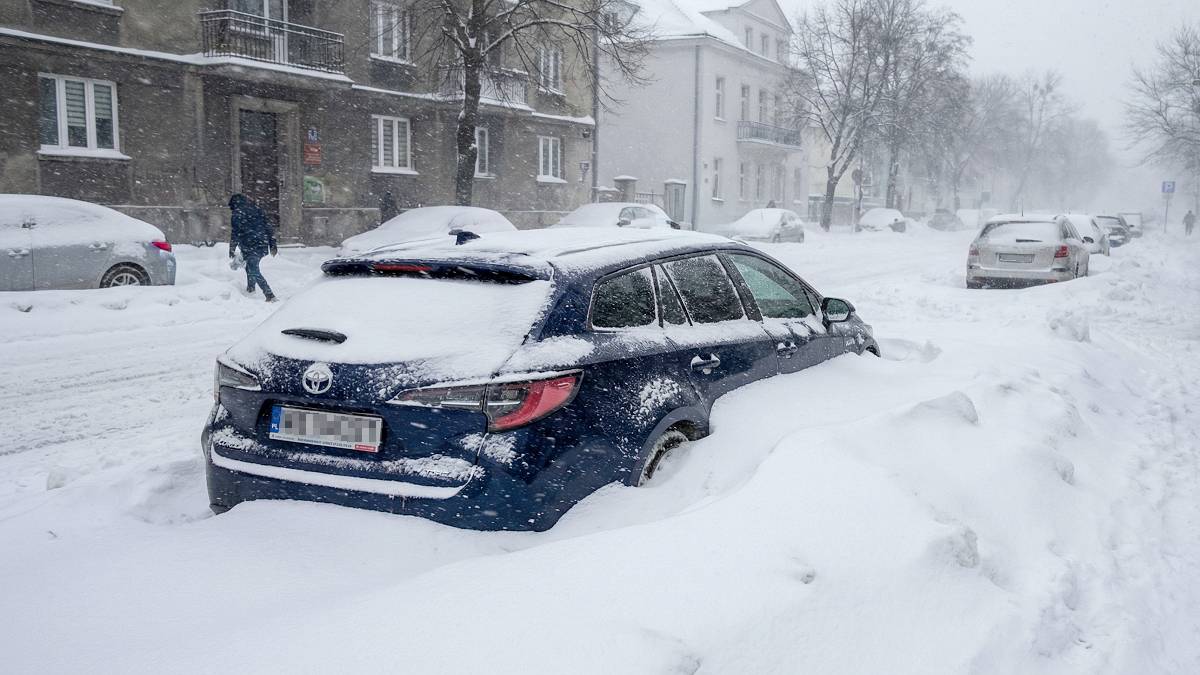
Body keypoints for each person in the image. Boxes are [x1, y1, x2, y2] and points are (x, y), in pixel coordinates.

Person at [228, 194, 278, 302]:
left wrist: (232, 248)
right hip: (261, 244)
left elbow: (235, 233)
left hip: (249, 246)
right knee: (250, 267)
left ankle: (269, 295)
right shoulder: (257, 210)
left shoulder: (237, 214)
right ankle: (251, 290)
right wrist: (272, 244)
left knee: (253, 269)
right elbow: (268, 227)